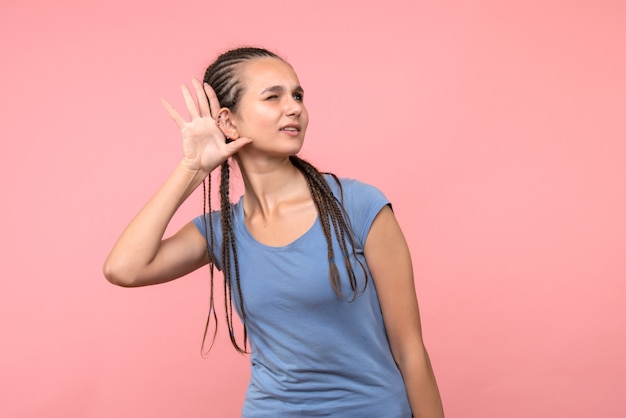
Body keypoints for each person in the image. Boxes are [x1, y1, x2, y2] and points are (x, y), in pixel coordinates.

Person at [103, 47, 444, 418]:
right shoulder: (222, 232)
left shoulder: (358, 206)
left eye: (297, 95)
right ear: (229, 123)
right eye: (273, 96)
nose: (294, 106)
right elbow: (124, 268)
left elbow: (410, 350)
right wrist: (192, 168)